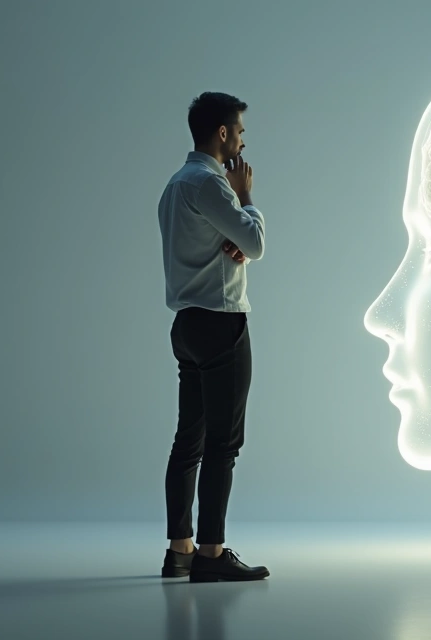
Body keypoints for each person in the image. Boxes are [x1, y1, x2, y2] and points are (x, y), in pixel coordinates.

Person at [156, 91, 270, 582]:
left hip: (185, 324)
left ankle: (179, 550)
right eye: (240, 131)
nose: (244, 140)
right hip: (221, 321)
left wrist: (232, 240)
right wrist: (246, 200)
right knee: (223, 445)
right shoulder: (212, 183)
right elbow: (257, 245)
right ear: (223, 134)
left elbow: (218, 245)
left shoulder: (174, 185)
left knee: (189, 440)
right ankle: (211, 553)